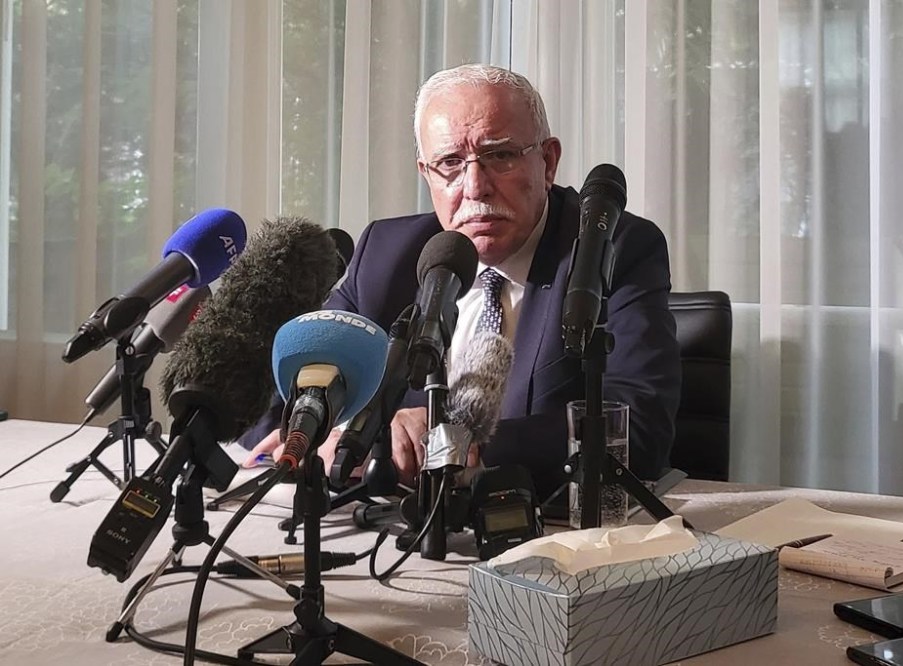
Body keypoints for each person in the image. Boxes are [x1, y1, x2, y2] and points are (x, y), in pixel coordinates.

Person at [241, 64, 681, 502]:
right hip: (389, 523)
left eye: (500, 155)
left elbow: (638, 427)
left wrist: (449, 442)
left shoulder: (609, 249)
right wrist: (335, 433)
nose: (475, 187)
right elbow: (273, 402)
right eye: (450, 162)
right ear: (426, 172)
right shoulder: (386, 255)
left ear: (547, 162)